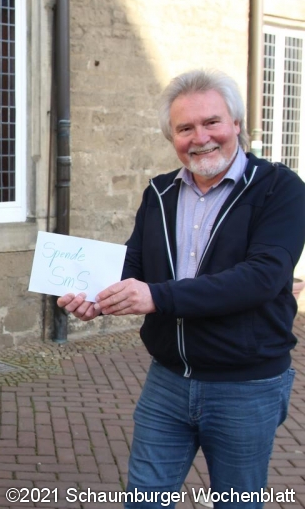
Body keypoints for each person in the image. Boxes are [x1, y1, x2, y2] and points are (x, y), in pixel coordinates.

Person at [58, 69, 305, 508]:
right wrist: (96, 296)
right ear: (172, 136)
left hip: (245, 384)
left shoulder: (279, 189)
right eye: (185, 128)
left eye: (211, 122)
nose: (201, 137)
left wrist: (158, 296)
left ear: (236, 125)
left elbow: (262, 277)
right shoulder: (159, 192)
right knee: (145, 500)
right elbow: (133, 265)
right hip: (168, 379)